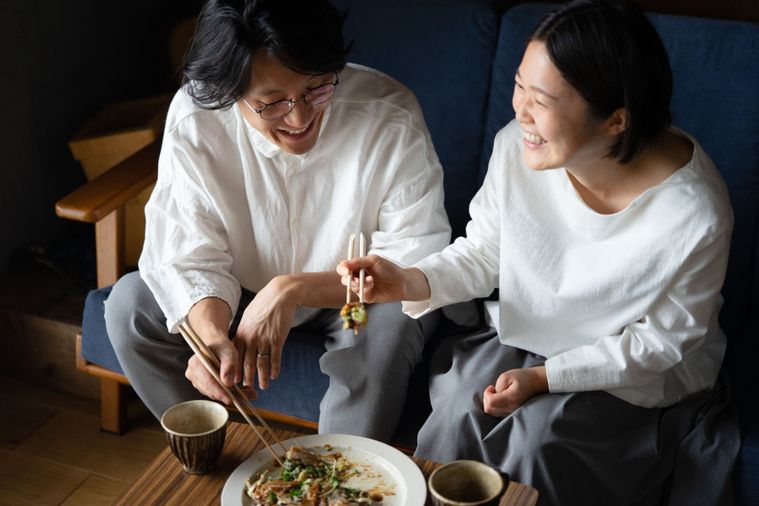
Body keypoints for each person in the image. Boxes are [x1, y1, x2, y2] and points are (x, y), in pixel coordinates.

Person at [338, 0, 740, 503]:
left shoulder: (694, 213)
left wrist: (543, 379)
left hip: (627, 373)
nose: (520, 111)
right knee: (457, 419)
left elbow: (658, 344)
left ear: (615, 120)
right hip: (528, 335)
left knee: (535, 445)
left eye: (542, 100)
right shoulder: (516, 148)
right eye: (518, 86)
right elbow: (485, 253)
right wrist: (409, 280)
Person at [104, 0, 451, 442]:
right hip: (237, 285)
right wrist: (210, 335)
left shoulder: (390, 113)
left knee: (392, 325)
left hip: (353, 296)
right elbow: (188, 251)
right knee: (129, 306)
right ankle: (221, 457)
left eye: (317, 89)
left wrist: (292, 290)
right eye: (272, 104)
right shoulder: (197, 117)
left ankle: (342, 477)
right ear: (231, 95)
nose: (301, 117)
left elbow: (414, 256)